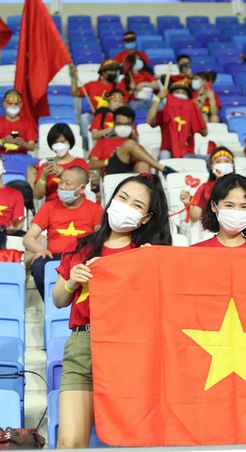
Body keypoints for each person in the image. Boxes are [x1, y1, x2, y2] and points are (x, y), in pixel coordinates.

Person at [52, 173, 171, 448]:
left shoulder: (147, 254)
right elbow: (58, 300)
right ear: (110, 200)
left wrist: (150, 267)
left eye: (137, 205)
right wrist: (72, 281)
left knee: (132, 440)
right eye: (123, 198)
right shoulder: (80, 245)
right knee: (69, 442)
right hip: (83, 346)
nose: (126, 207)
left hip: (129, 349)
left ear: (146, 218)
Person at [24, 167, 104, 300]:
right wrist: (39, 249)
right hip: (54, 256)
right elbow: (28, 238)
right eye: (61, 182)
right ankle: (52, 303)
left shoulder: (95, 209)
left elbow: (100, 237)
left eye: (68, 184)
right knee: (38, 265)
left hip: (82, 255)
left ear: (82, 188)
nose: (62, 187)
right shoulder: (49, 207)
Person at [89, 106, 175, 176]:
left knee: (143, 165)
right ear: (114, 125)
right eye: (120, 124)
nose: (123, 126)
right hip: (112, 171)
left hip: (131, 172)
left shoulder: (136, 146)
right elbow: (91, 164)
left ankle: (147, 192)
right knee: (129, 144)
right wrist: (108, 160)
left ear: (132, 126)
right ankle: (163, 169)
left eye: (127, 124)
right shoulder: (103, 142)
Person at [193, 173, 246, 248]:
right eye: (229, 205)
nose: (236, 212)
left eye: (244, 206)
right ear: (213, 206)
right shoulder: (195, 252)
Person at [146, 80, 208, 160]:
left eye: (184, 93)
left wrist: (198, 111)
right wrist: (158, 98)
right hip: (168, 151)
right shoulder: (164, 113)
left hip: (187, 154)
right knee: (164, 155)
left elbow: (204, 133)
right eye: (177, 92)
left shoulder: (192, 114)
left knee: (209, 159)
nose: (180, 95)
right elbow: (149, 120)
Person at [34, 123, 89, 203]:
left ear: (69, 142)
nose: (59, 145)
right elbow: (37, 196)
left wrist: (63, 175)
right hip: (52, 207)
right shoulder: (46, 166)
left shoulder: (80, 163)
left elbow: (82, 187)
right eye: (55, 142)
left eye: (62, 141)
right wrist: (43, 176)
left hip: (76, 205)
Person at [180, 146, 234, 223]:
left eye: (227, 161)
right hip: (211, 231)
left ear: (232, 164)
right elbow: (195, 218)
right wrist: (188, 203)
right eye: (218, 161)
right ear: (211, 166)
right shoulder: (205, 188)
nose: (222, 164)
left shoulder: (242, 186)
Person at [0, 90, 37, 156]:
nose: (13, 106)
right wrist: (3, 141)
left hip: (22, 157)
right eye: (10, 104)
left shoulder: (28, 123)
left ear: (21, 104)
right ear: (4, 104)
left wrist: (22, 143)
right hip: (1, 157)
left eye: (16, 104)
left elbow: (32, 147)